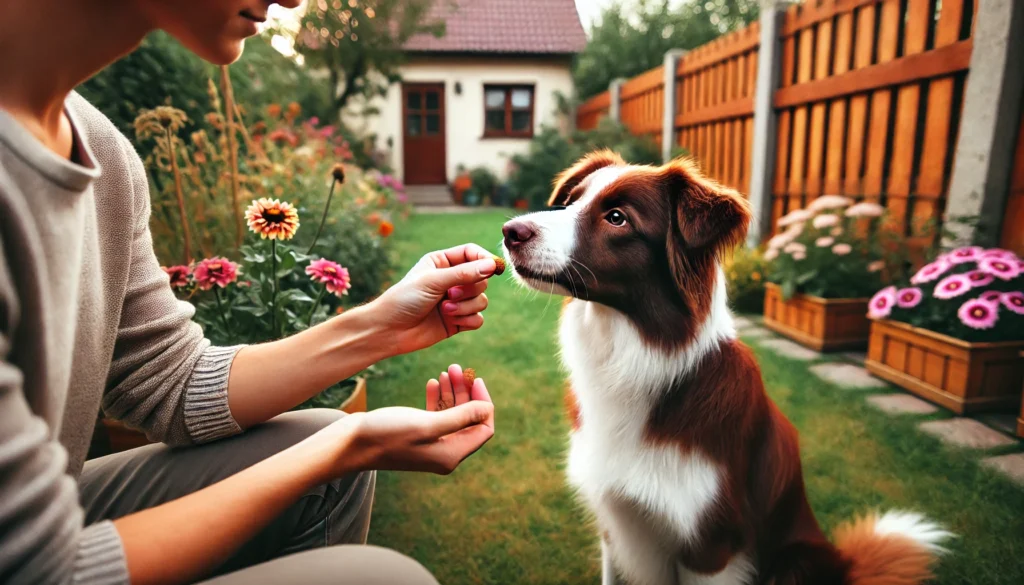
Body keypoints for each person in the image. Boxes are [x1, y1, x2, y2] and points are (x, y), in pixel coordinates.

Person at [0, 1, 498, 584]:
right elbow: (38, 572)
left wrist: (382, 327)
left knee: (322, 445)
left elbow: (167, 383)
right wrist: (349, 445)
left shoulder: (104, 155)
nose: (292, 1)